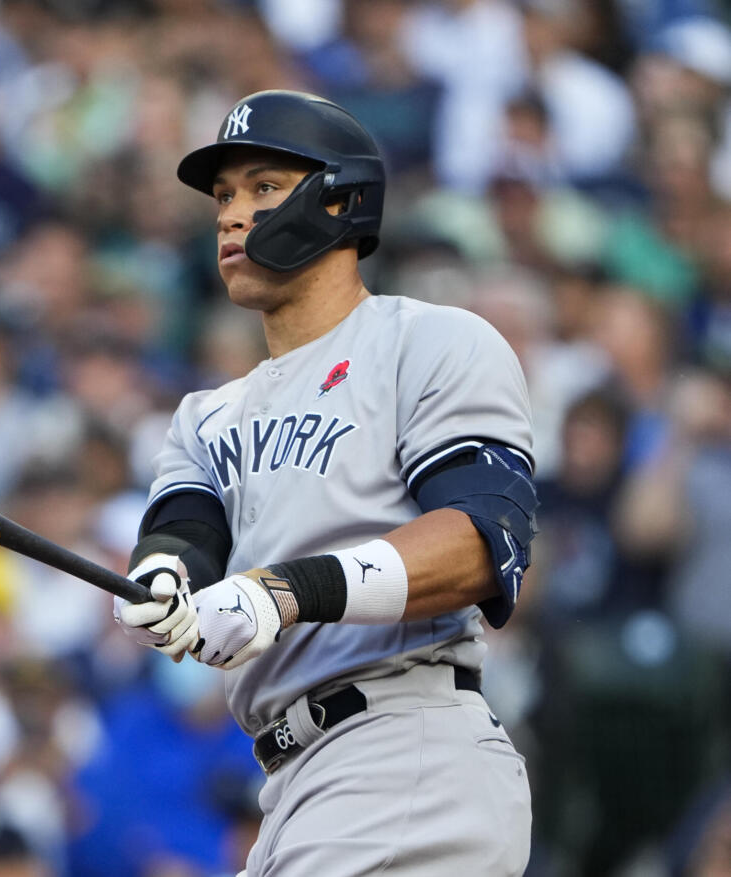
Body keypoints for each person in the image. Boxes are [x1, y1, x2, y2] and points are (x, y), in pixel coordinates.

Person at [113, 90, 538, 875]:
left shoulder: (430, 341)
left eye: (264, 187)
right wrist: (162, 584)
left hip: (407, 749)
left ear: (342, 199)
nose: (232, 215)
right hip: (291, 784)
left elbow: (482, 542)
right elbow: (183, 539)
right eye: (224, 196)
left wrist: (280, 591)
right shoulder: (206, 415)